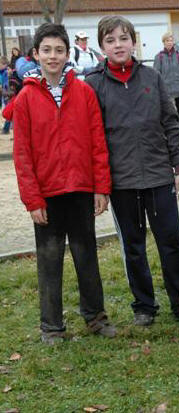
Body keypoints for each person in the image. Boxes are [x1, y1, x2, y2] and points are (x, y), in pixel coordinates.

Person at [86, 15, 179, 327]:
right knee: (133, 246)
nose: (118, 45)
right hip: (122, 182)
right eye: (110, 40)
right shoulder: (93, 84)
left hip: (160, 176)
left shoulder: (152, 77)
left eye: (123, 38)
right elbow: (93, 138)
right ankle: (144, 305)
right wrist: (101, 185)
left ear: (133, 41)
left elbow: (171, 123)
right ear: (101, 46)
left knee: (171, 241)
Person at [12, 23, 115, 344]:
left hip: (82, 190)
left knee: (87, 257)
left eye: (59, 50)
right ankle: (52, 326)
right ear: (36, 55)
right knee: (49, 260)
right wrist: (33, 200)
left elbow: (98, 142)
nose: (53, 56)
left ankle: (95, 317)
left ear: (67, 54)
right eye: (47, 50)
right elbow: (22, 155)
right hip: (47, 195)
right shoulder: (26, 98)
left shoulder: (84, 93)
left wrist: (102, 187)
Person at [153, 32, 179, 129]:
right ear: (163, 42)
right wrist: (160, 86)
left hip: (178, 87)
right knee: (167, 110)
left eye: (171, 40)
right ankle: (169, 127)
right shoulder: (159, 57)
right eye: (167, 41)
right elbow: (156, 73)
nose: (169, 42)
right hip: (166, 89)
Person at [0, 56, 10, 134]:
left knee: (9, 110)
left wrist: (3, 87)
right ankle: (6, 128)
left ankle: (6, 129)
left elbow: (7, 83)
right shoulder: (2, 72)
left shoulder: (7, 72)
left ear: (4, 65)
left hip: (7, 93)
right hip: (4, 92)